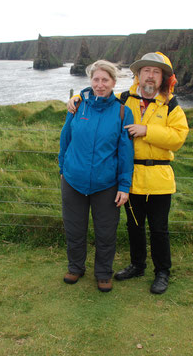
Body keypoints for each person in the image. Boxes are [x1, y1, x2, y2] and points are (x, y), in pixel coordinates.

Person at [67, 52, 189, 294]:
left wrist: (147, 130)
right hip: (131, 177)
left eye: (156, 72)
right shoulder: (125, 99)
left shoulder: (171, 105)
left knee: (158, 228)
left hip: (158, 177)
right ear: (138, 75)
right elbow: (99, 93)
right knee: (134, 226)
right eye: (146, 71)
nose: (150, 76)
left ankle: (162, 271)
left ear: (163, 77)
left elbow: (178, 138)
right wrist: (77, 96)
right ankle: (137, 265)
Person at [59, 60, 134, 293]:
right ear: (90, 80)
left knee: (106, 232)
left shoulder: (123, 111)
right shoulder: (77, 106)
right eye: (96, 79)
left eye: (105, 80)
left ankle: (103, 273)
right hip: (73, 180)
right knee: (74, 228)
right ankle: (75, 267)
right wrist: (63, 170)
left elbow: (125, 152)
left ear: (114, 82)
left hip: (106, 184)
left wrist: (124, 185)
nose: (100, 85)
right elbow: (65, 139)